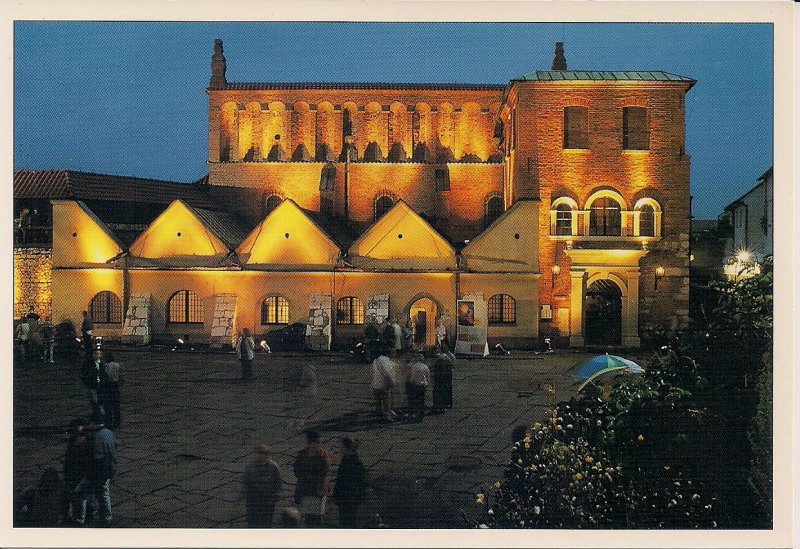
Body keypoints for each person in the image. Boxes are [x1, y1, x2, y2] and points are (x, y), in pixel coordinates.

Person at [74, 423, 116, 526]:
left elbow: (86, 451)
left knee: (80, 494)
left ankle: (80, 519)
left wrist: (80, 433)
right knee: (104, 494)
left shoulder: (95, 437)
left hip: (97, 470)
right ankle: (107, 518)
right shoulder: (108, 433)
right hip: (108, 468)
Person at [293, 430, 330, 527]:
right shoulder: (302, 454)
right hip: (304, 488)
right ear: (310, 443)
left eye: (319, 443)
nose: (318, 445)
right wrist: (305, 476)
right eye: (316, 443)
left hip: (318, 490)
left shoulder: (323, 455)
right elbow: (296, 469)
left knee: (317, 517)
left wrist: (312, 477)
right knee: (306, 516)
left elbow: (325, 471)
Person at [241, 444, 282, 528]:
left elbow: (278, 482)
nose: (255, 456)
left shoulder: (273, 467)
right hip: (253, 501)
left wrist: (275, 496)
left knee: (266, 523)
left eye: (258, 453)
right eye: (255, 453)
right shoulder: (249, 467)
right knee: (252, 523)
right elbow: (245, 482)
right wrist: (245, 494)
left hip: (267, 501)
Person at [332, 437, 368, 528]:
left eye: (341, 447)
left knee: (348, 523)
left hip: (349, 499)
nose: (339, 449)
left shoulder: (353, 463)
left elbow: (359, 482)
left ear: (345, 448)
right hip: (347, 498)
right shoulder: (349, 460)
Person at [62, 418, 91, 524]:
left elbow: (86, 461)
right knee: (75, 496)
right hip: (73, 473)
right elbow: (68, 459)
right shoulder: (73, 442)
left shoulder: (87, 442)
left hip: (81, 474)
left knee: (81, 496)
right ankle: (77, 516)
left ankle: (81, 518)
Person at [371, 352, 397, 422]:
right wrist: (392, 381)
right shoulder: (385, 360)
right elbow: (387, 373)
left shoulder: (375, 360)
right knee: (386, 402)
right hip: (383, 384)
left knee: (378, 402)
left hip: (375, 384)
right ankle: (387, 417)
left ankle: (379, 416)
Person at [81, 350, 105, 422]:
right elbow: (85, 374)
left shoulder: (100, 364)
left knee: (97, 399)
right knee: (94, 399)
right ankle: (98, 412)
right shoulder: (88, 365)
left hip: (98, 384)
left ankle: (99, 412)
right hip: (92, 384)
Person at [407, 354, 431, 422]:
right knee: (422, 401)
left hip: (416, 385)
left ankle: (416, 414)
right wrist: (427, 384)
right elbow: (427, 376)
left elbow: (412, 377)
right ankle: (421, 415)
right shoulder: (425, 366)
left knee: (416, 401)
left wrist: (411, 382)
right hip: (422, 386)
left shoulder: (414, 366)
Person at [431, 345, 455, 413]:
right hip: (447, 375)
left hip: (442, 377)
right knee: (447, 390)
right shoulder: (447, 357)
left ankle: (439, 406)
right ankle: (446, 404)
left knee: (440, 392)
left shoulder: (440, 358)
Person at [101, 352, 121, 428]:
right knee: (116, 405)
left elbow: (103, 376)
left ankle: (108, 422)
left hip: (108, 385)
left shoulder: (105, 366)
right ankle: (117, 422)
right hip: (115, 385)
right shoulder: (117, 365)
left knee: (108, 405)